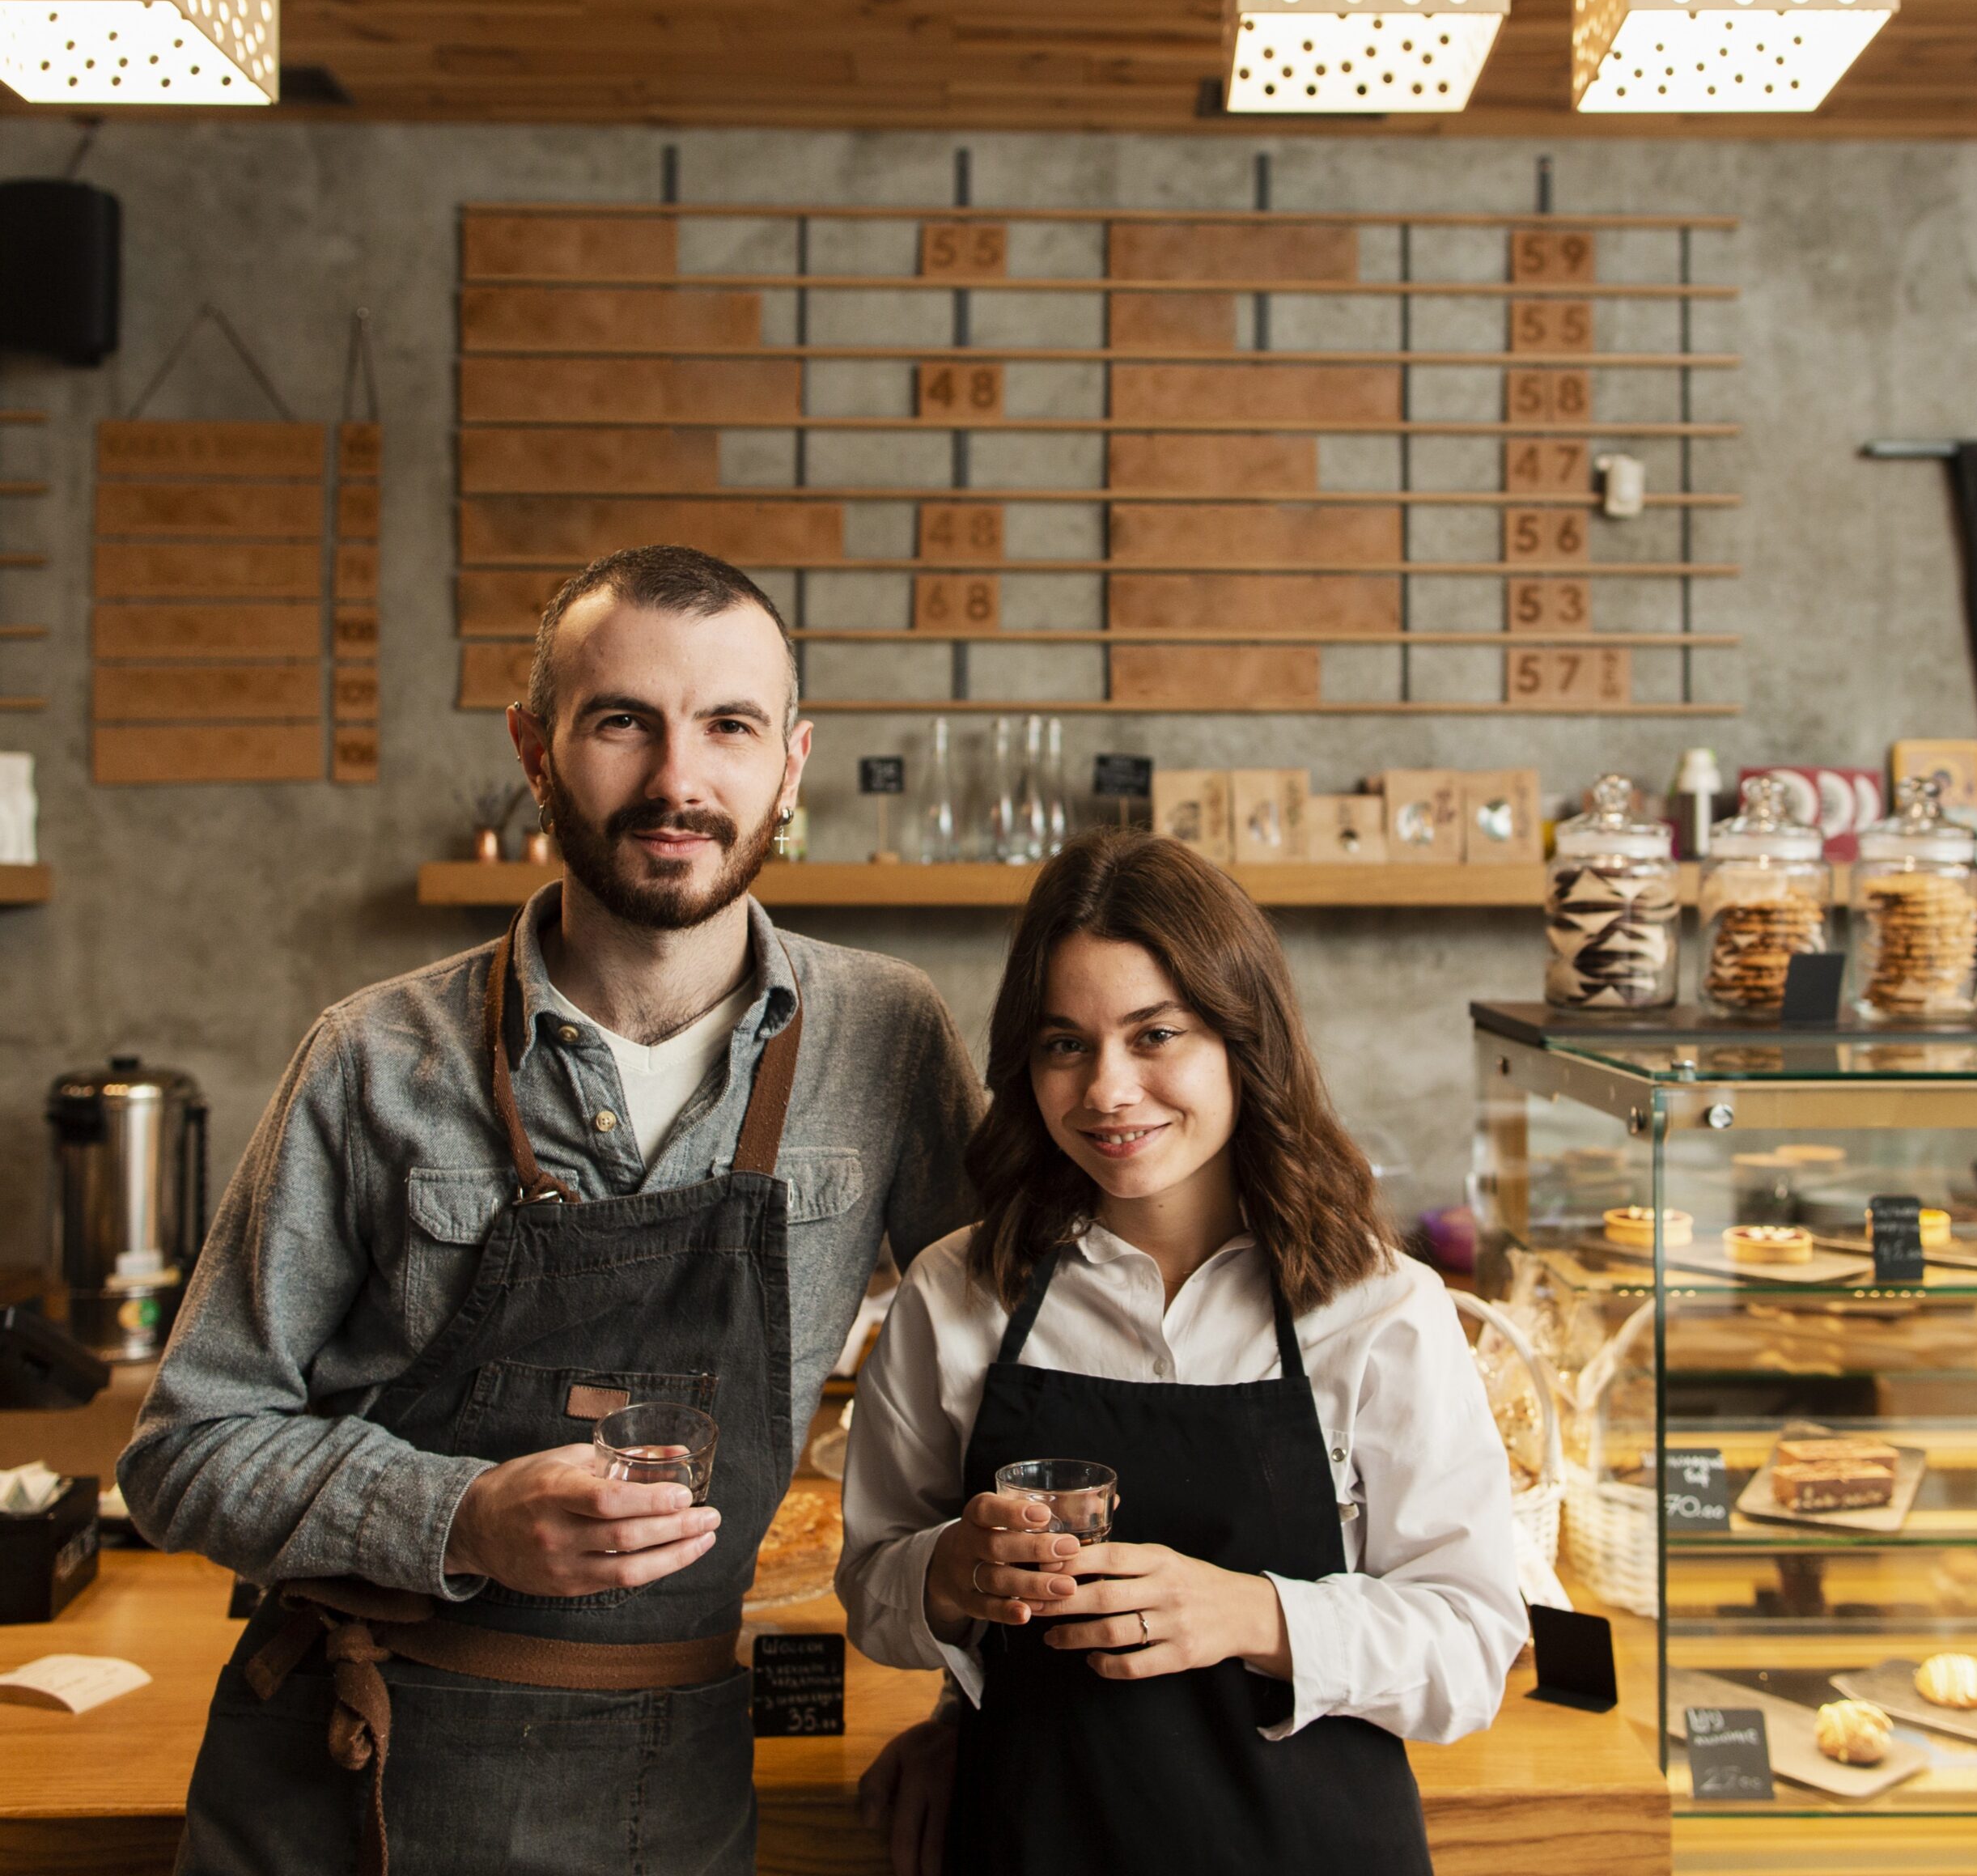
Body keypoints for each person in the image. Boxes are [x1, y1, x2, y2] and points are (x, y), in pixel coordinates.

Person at [119, 545, 982, 1876]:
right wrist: (461, 1517)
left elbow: (1010, 1402)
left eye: (730, 727)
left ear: (793, 763)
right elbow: (185, 1449)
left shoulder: (889, 1041)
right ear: (536, 748)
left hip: (669, 1783)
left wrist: (964, 1707)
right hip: (354, 1772)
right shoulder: (372, 1057)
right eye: (621, 721)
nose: (677, 782)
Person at [839, 827, 1526, 1876]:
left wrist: (1255, 1612)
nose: (1108, 1090)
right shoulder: (958, 1294)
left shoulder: (1381, 1310)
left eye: (1156, 1034)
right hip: (1031, 1844)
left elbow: (1475, 1645)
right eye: (1066, 1043)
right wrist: (950, 1574)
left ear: (1242, 1040)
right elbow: (872, 1588)